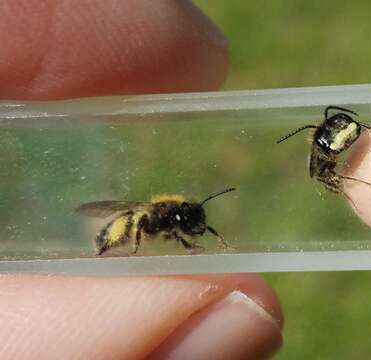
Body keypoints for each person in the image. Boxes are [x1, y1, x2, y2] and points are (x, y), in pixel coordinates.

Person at [0, 1, 283, 359]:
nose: (192, 225)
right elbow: (148, 223)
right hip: (122, 231)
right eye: (188, 222)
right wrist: (134, 249)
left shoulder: (174, 215)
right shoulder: (156, 214)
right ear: (172, 214)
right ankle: (112, 249)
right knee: (129, 226)